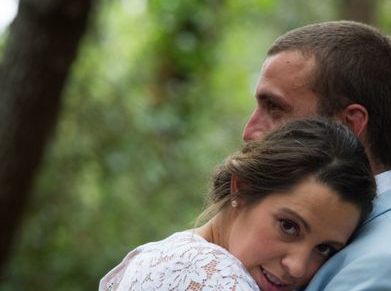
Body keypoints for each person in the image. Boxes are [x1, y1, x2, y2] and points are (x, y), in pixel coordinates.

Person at [243, 20, 391, 291]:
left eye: (274, 107)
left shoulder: (386, 263)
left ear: (347, 125)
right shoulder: (359, 241)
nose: (250, 132)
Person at [99, 119, 376, 291]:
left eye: (324, 249)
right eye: (288, 226)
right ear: (242, 188)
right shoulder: (212, 276)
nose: (298, 267)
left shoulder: (161, 255)